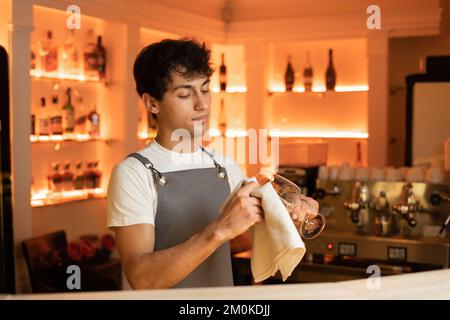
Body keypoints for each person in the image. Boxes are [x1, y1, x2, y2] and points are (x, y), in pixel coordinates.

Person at [106, 38, 319, 289]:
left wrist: (291, 217)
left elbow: (263, 233)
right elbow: (143, 278)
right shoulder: (133, 174)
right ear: (152, 103)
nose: (202, 104)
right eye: (185, 94)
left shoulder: (224, 166)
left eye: (205, 89)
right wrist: (220, 230)